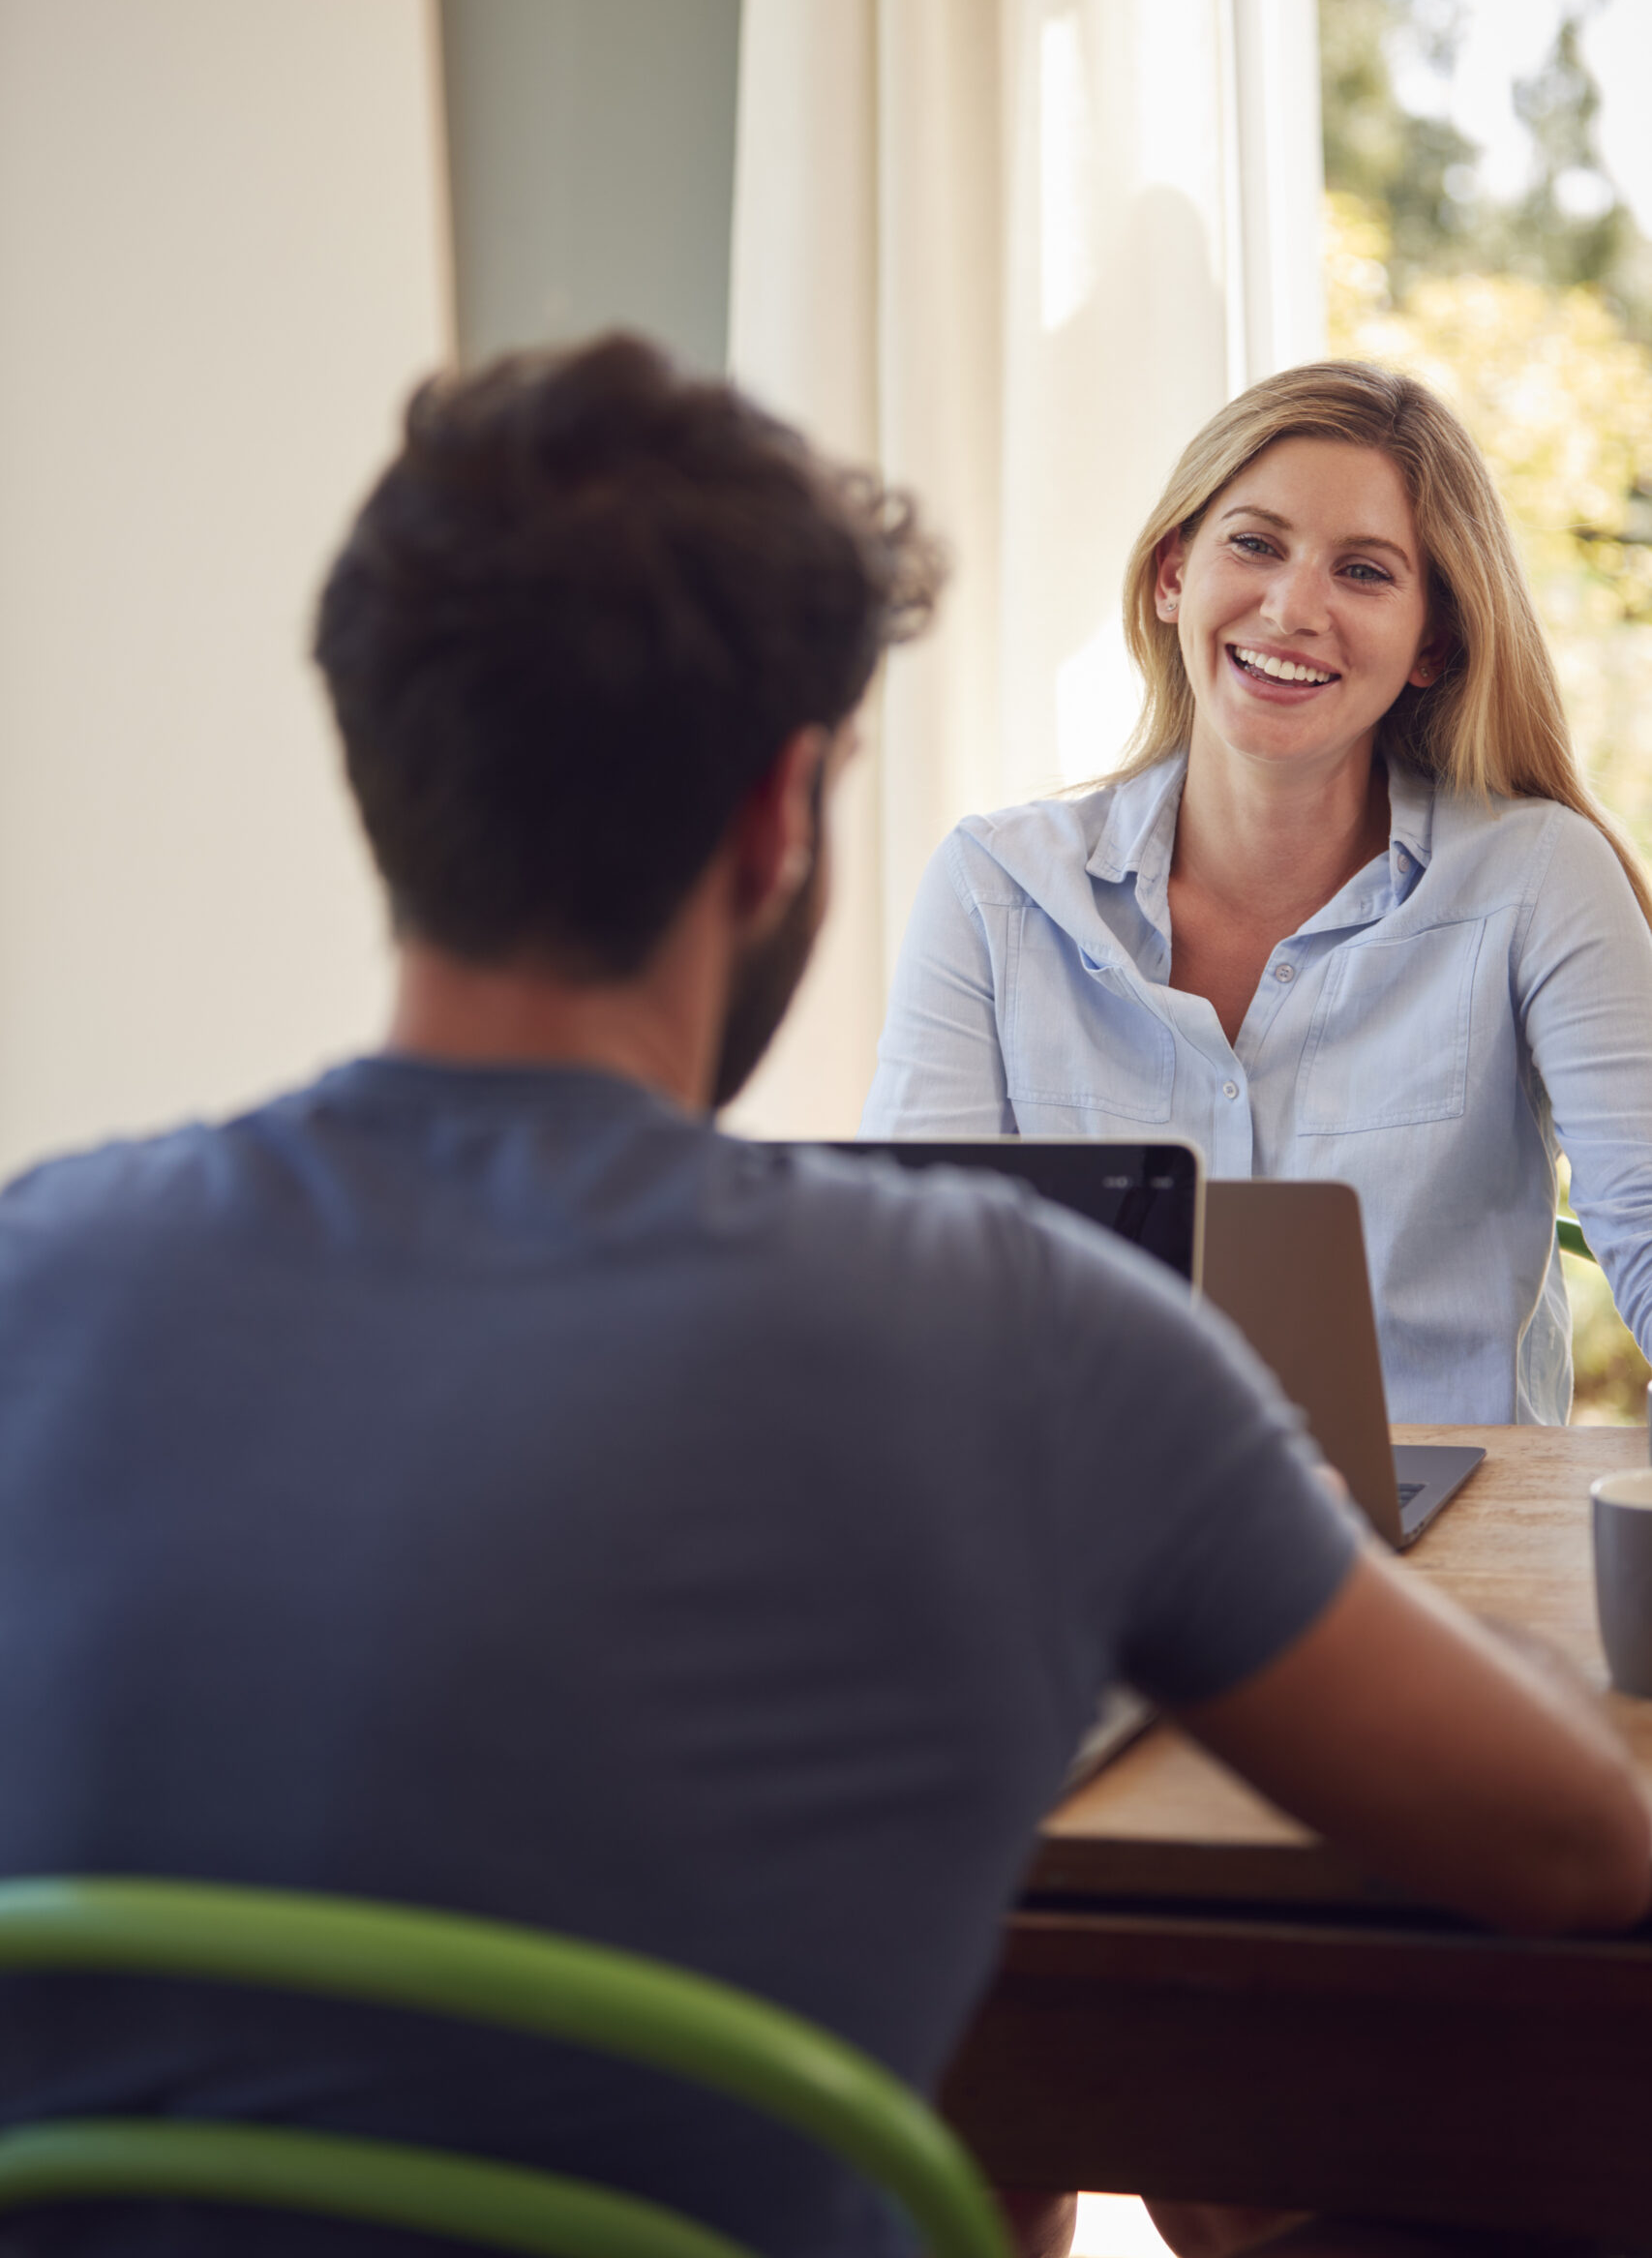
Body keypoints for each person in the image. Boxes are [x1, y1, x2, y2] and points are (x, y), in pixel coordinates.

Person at [0, 338, 1644, 2258]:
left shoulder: (40, 1274)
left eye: (1363, 569)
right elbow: (1576, 1845)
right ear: (784, 815)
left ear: (372, 755)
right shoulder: (1029, 1336)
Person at [862, 360, 1652, 1428]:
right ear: (1172, 574)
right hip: (1094, 1549)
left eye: (1365, 571)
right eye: (1255, 543)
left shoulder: (1538, 878)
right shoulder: (995, 891)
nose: (1292, 608)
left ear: (1436, 643)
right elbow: (914, 1292)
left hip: (1444, 1558)